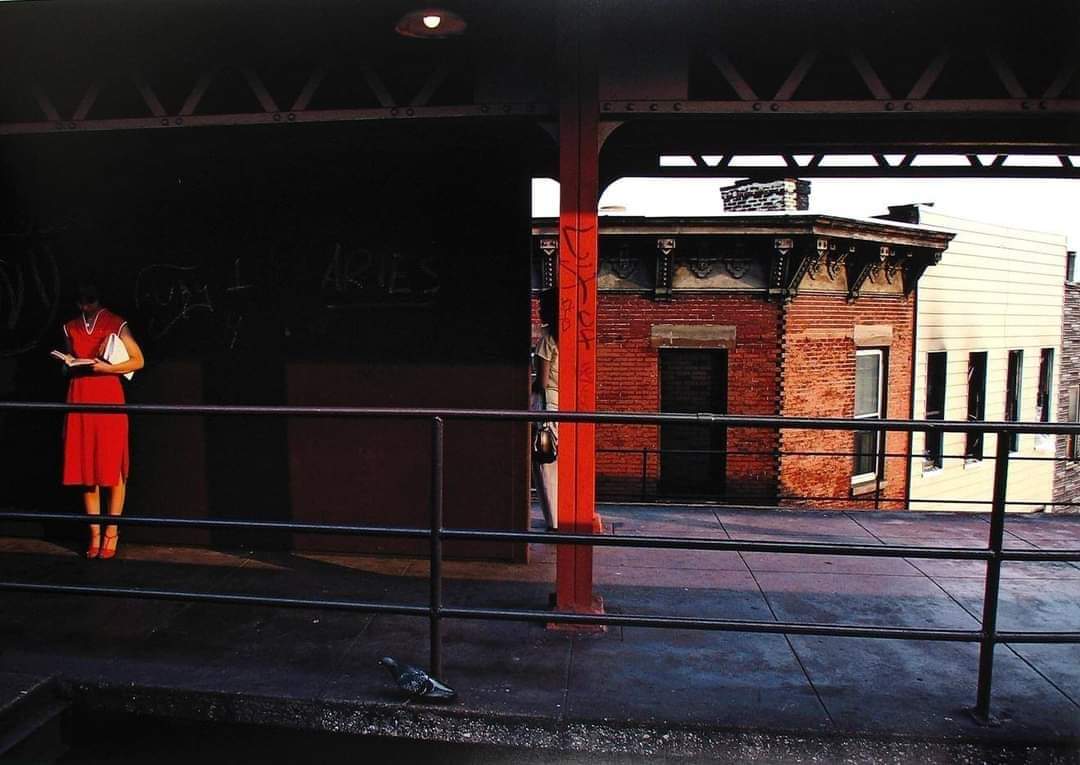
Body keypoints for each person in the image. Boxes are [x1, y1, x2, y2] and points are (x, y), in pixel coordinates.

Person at [60, 280, 144, 560]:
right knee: (87, 470)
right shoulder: (70, 326)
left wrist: (107, 368)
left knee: (112, 468)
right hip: (80, 395)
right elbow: (69, 358)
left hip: (107, 395)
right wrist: (68, 364)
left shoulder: (115, 323)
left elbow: (137, 360)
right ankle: (94, 534)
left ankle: (112, 532)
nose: (86, 306)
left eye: (90, 300)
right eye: (81, 301)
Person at [531, 290, 558, 530]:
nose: (538, 310)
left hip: (547, 405)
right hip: (565, 405)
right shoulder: (566, 338)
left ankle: (554, 519)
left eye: (542, 307)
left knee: (544, 462)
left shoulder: (546, 340)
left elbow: (542, 381)